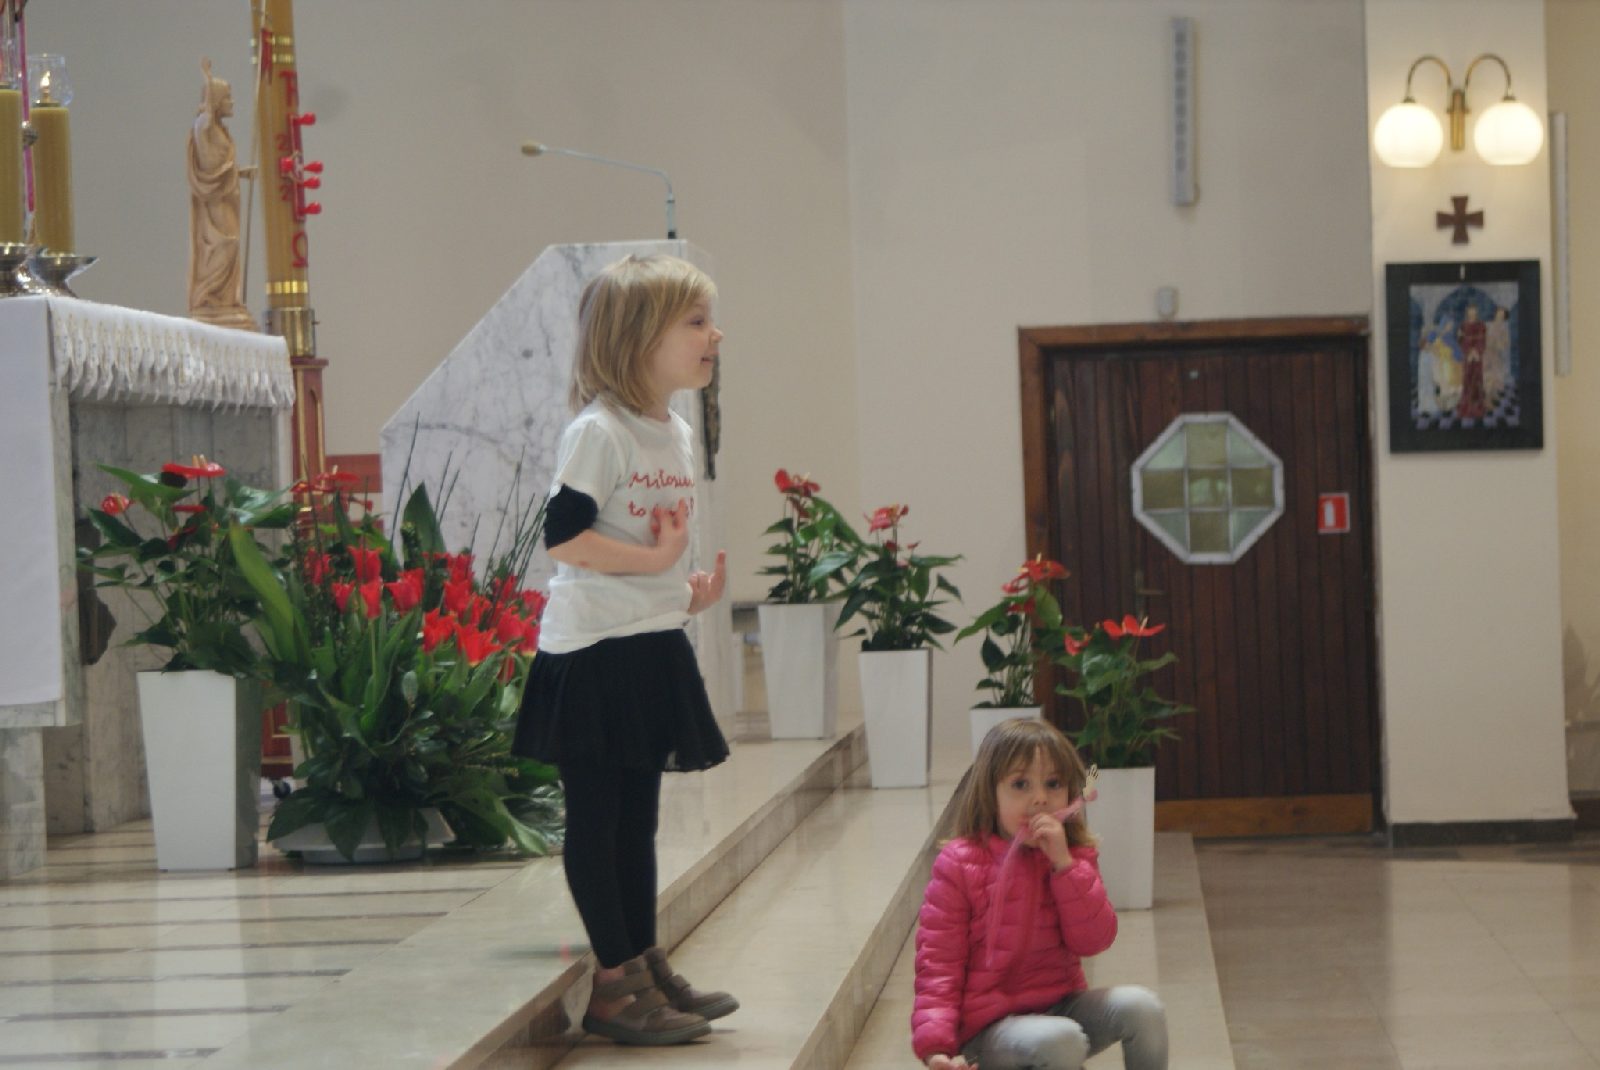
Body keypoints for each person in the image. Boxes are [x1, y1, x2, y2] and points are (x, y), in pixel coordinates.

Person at [512, 254, 735, 1046]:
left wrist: (684, 591)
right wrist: (653, 562)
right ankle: (613, 988)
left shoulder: (673, 430)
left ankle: (642, 961)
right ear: (640, 338)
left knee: (638, 823)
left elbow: (651, 542)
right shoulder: (597, 432)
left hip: (648, 642)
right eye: (697, 322)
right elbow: (564, 538)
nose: (715, 335)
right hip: (594, 655)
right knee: (599, 820)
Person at [913, 719, 1168, 1069]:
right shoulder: (959, 864)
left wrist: (1065, 867)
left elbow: (1094, 940)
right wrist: (936, 1049)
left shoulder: (1073, 857)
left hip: (1061, 1009)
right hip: (988, 1032)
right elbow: (938, 966)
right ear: (990, 792)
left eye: (1053, 784)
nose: (1040, 798)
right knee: (1059, 1038)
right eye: (1020, 784)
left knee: (1143, 1008)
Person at [186, 58, 255, 331]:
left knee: (231, 245)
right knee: (226, 245)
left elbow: (221, 165)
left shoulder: (218, 130)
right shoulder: (204, 127)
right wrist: (207, 80)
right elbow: (212, 167)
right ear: (215, 101)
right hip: (215, 199)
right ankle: (209, 296)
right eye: (227, 97)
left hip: (226, 196)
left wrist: (241, 172)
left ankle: (225, 300)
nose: (232, 102)